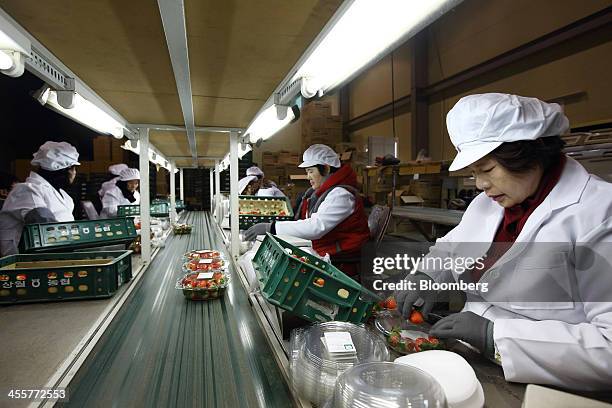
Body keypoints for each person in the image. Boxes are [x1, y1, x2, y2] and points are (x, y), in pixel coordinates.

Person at [395, 93, 612, 390]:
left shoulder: (598, 212)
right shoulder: (488, 203)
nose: (481, 185)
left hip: (545, 379)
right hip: (466, 359)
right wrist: (429, 275)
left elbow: (608, 346)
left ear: (528, 153)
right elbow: (451, 248)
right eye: (474, 173)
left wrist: (495, 336)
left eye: (487, 170)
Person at [245, 144, 370, 277]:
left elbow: (316, 227)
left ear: (326, 169)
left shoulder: (341, 194)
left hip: (341, 261)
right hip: (326, 249)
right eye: (307, 172)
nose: (308, 177)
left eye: (311, 171)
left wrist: (272, 227)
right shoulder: (320, 192)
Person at [0, 141, 80, 256]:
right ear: (64, 170)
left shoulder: (64, 196)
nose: (74, 173)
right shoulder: (26, 190)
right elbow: (45, 225)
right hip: (21, 263)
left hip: (53, 256)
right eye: (73, 168)